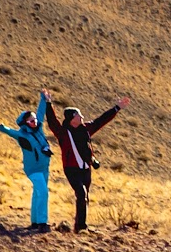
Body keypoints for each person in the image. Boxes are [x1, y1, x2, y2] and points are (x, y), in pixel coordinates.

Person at [46, 92, 128, 232]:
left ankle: (79, 225)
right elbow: (52, 121)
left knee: (84, 197)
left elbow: (101, 120)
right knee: (81, 194)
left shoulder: (86, 129)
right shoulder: (63, 133)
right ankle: (81, 226)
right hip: (71, 169)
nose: (82, 117)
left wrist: (117, 107)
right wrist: (48, 104)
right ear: (72, 118)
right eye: (79, 115)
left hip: (85, 169)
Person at [0, 107, 54, 231]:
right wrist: (1, 127)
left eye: (34, 120)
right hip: (33, 170)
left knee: (37, 193)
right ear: (25, 123)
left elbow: (40, 113)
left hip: (44, 168)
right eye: (31, 121)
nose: (34, 122)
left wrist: (43, 98)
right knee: (43, 192)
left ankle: (35, 222)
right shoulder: (22, 135)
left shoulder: (39, 128)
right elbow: (11, 132)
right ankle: (42, 223)